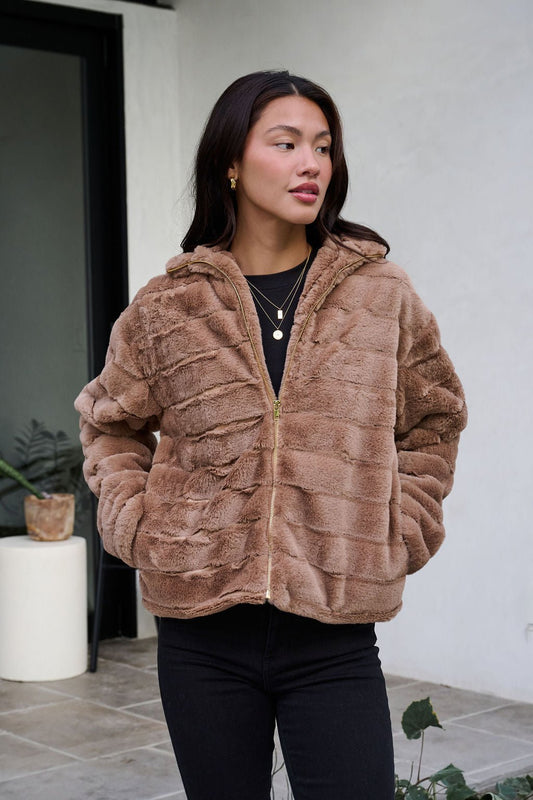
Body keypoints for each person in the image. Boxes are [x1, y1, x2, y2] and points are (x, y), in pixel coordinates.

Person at [75, 70, 467, 800]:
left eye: (321, 146)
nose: (310, 162)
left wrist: (399, 526)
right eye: (284, 143)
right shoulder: (168, 307)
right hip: (201, 636)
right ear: (231, 161)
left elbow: (433, 418)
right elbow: (110, 424)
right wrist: (141, 524)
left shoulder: (379, 293)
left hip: (333, 637)